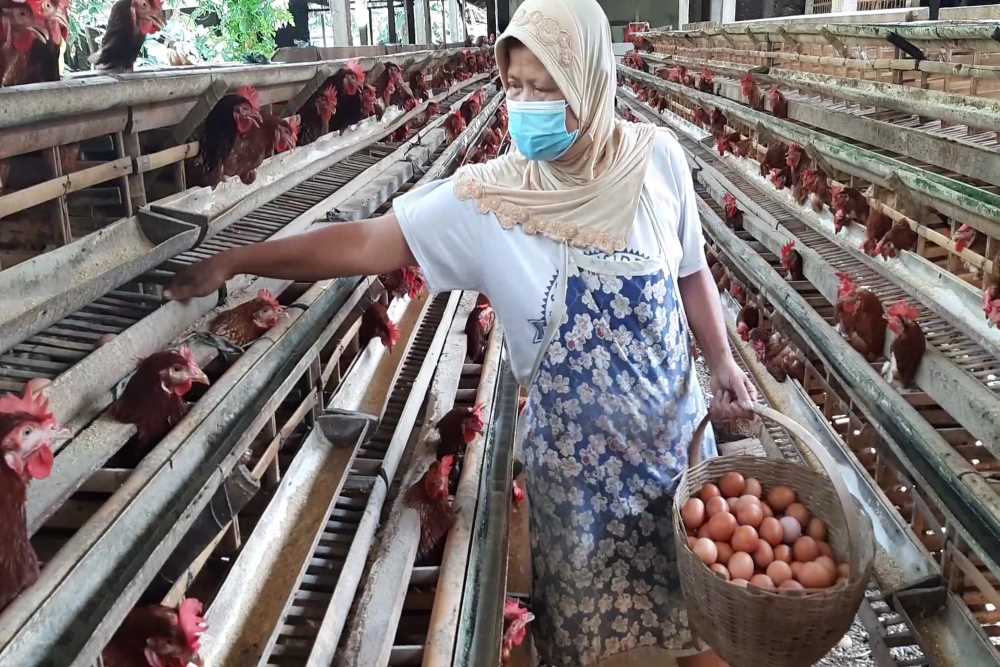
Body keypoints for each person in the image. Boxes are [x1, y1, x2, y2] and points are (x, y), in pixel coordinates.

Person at [165, 0, 756, 663]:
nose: (523, 103)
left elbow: (692, 273)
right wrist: (244, 258)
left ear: (590, 82)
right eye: (515, 84)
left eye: (545, 87)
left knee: (703, 625)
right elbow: (366, 244)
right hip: (574, 479)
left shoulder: (658, 160)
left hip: (672, 454)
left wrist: (724, 362)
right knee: (586, 637)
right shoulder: (488, 201)